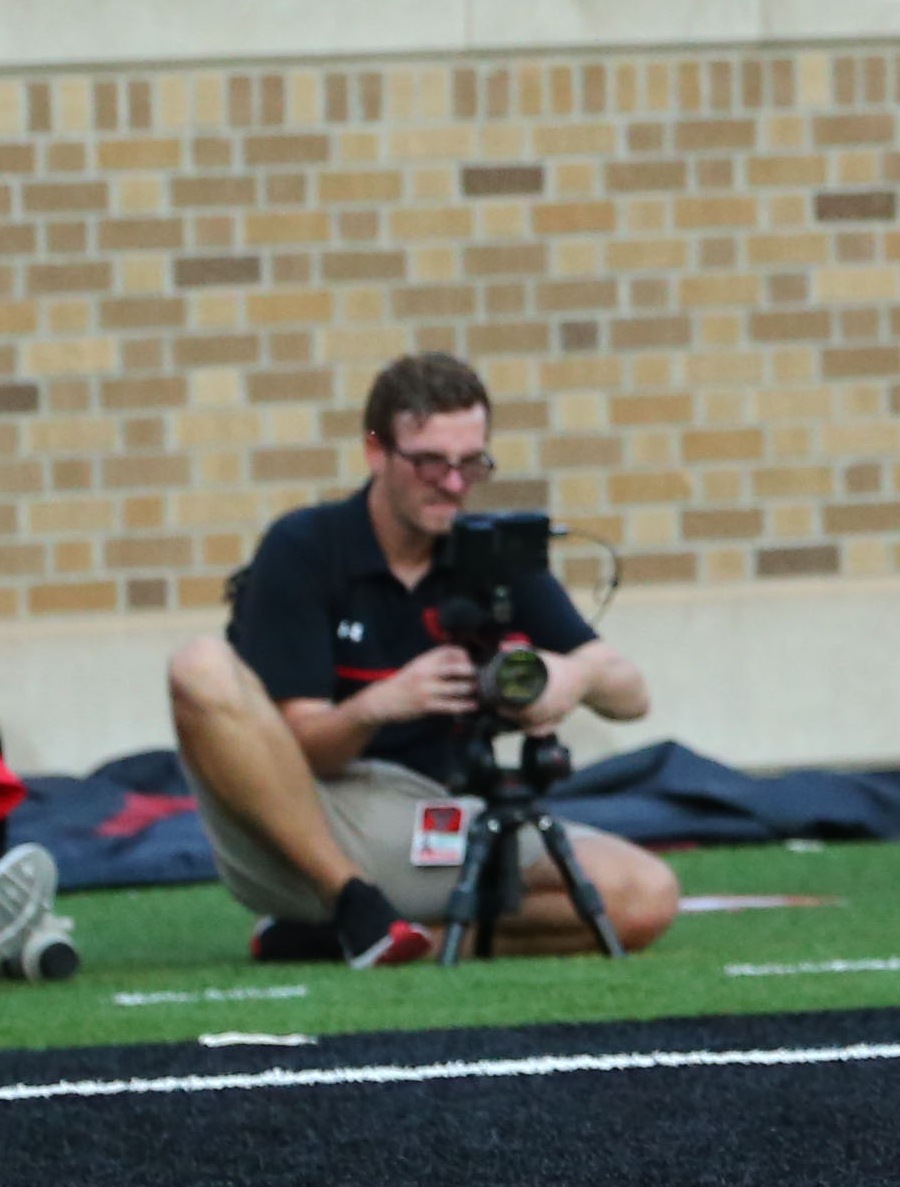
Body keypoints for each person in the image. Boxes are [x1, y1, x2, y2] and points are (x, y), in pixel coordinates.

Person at [162, 352, 675, 967]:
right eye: (431, 462)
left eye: (472, 463)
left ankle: (365, 937)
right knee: (200, 664)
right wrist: (382, 705)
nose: (454, 485)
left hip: (432, 819)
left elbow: (633, 696)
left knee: (646, 897)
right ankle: (351, 902)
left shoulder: (490, 554)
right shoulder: (305, 547)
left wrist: (574, 675)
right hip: (309, 818)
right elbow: (299, 750)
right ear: (376, 452)